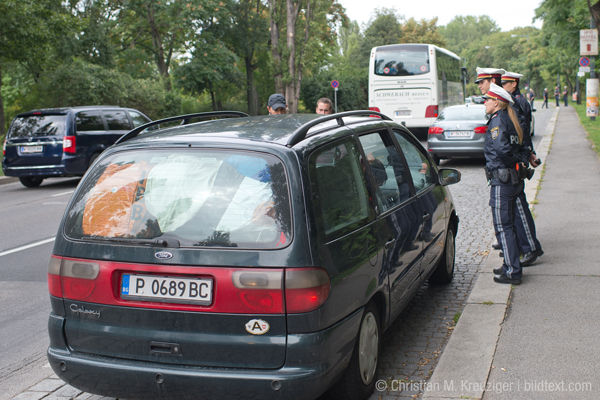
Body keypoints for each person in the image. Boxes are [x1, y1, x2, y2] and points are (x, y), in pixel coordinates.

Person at [482, 83, 529, 285]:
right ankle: (510, 264)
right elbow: (518, 147)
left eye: (487, 100)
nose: (484, 103)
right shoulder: (508, 119)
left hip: (502, 180)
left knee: (503, 226)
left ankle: (512, 271)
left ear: (496, 102)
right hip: (511, 178)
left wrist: (514, 160)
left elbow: (502, 151)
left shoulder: (497, 121)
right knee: (507, 224)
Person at [500, 72, 544, 266]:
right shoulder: (513, 100)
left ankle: (531, 247)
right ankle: (522, 245)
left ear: (513, 83)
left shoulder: (517, 102)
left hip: (517, 159)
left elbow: (522, 133)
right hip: (519, 156)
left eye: (505, 83)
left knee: (519, 205)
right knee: (515, 206)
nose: (502, 86)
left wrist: (527, 155)